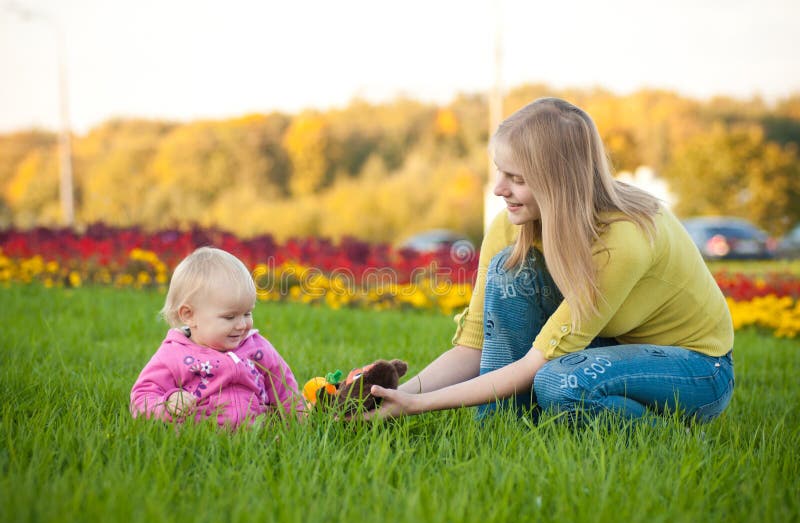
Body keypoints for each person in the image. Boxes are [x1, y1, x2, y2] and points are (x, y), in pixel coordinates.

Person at [369, 97, 735, 424]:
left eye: (516, 178)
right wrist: (384, 399)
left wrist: (417, 406)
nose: (499, 188)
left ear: (557, 183)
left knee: (560, 385)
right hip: (611, 347)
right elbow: (473, 347)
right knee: (507, 270)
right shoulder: (513, 223)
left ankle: (670, 432)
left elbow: (536, 365)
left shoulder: (624, 239)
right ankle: (500, 426)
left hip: (696, 368)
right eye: (500, 171)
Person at [130, 247, 303, 428]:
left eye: (247, 313)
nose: (242, 325)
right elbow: (142, 396)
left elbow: (285, 390)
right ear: (189, 315)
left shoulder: (257, 348)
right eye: (229, 317)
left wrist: (300, 422)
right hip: (201, 440)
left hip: (259, 436)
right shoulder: (174, 355)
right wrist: (168, 403)